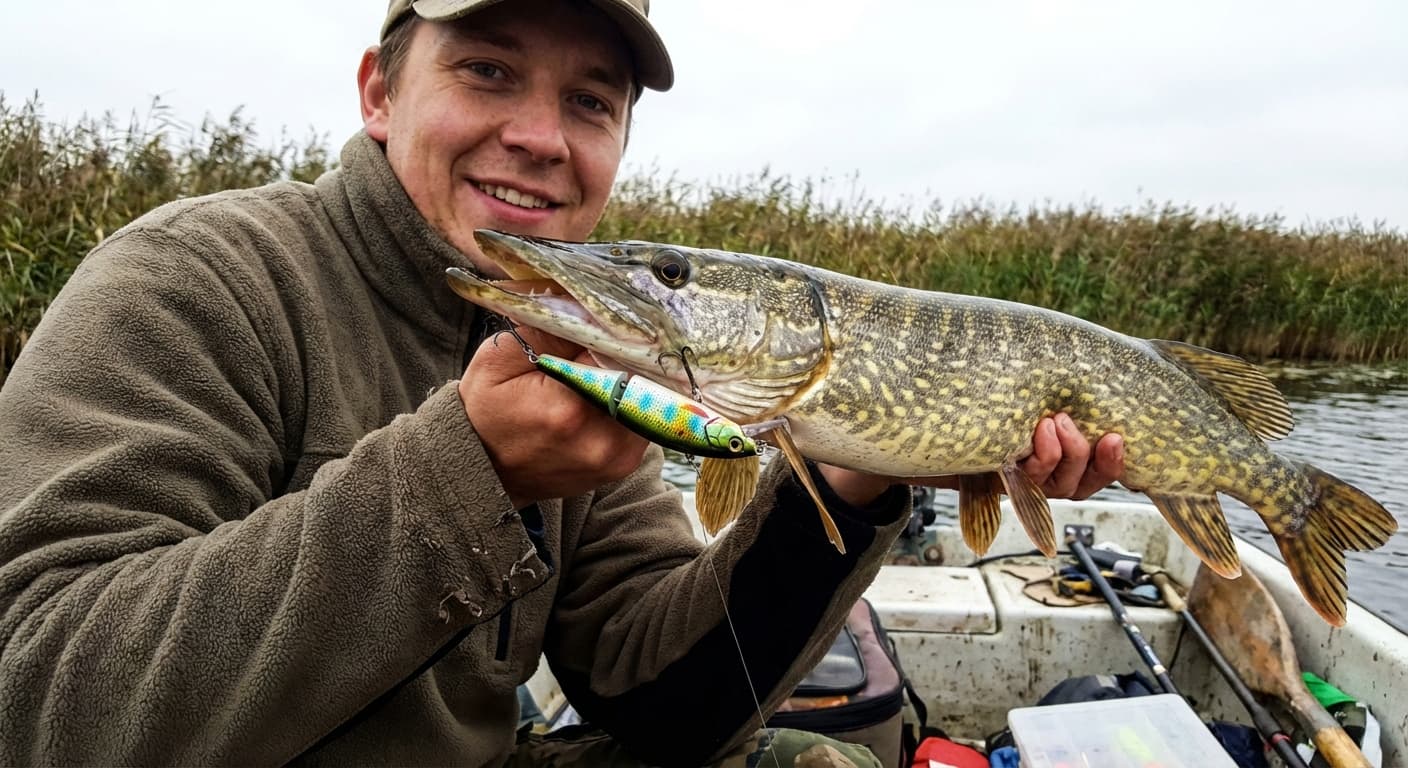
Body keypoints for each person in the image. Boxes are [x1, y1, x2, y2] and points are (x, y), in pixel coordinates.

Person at [0, 0, 1125, 765]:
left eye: (590, 101)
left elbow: (659, 698)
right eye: (487, 69)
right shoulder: (197, 282)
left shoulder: (587, 345)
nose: (541, 136)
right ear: (379, 94)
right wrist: (462, 476)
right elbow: (37, 702)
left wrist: (851, 480)